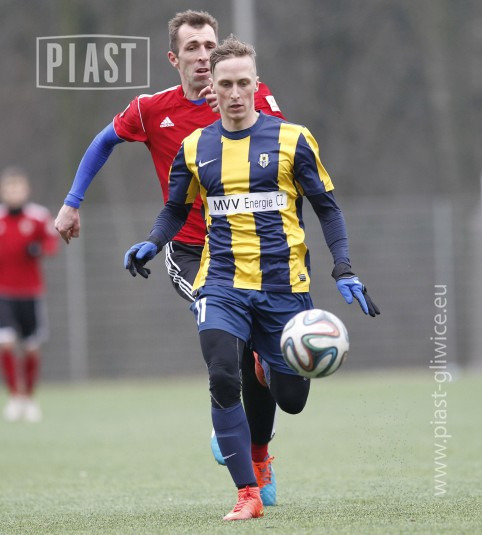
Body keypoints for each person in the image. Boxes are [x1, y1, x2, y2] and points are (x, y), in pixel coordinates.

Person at [124, 36, 380, 520]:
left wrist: (343, 267)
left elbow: (327, 208)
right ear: (212, 90)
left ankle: (262, 429)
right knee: (222, 376)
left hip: (284, 287)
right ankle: (247, 493)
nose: (235, 93)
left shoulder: (293, 140)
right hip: (221, 282)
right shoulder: (195, 147)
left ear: (256, 84)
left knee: (292, 399)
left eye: (244, 83)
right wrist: (153, 242)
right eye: (226, 84)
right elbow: (175, 209)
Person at [54, 10, 283, 505]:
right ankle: (233, 429)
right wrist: (72, 202)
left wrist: (239, 117)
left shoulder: (251, 98)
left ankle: (260, 453)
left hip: (251, 251)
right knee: (227, 340)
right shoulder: (151, 110)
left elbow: (284, 151)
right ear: (174, 58)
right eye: (192, 48)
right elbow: (103, 141)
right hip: (191, 251)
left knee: (262, 358)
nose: (203, 56)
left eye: (210, 45)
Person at [0, 167, 59, 422]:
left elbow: (52, 243)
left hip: (31, 293)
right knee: (6, 342)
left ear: (26, 190)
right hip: (3, 293)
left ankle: (30, 398)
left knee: (32, 347)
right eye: (10, 188)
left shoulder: (38, 216)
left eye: (18, 187)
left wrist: (40, 248)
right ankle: (15, 396)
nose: (14, 192)